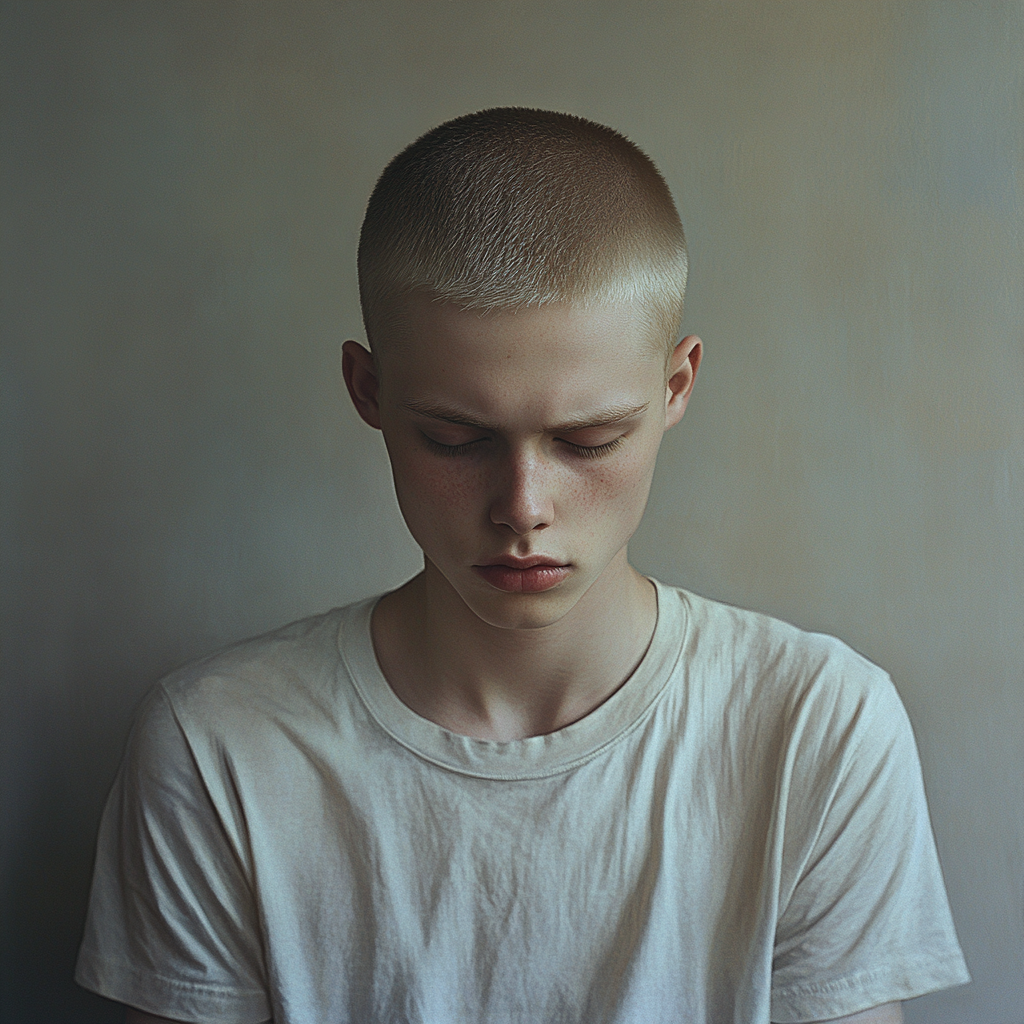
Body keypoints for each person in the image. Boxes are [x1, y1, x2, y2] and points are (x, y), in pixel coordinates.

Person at [76, 108, 969, 1024]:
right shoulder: (217, 746)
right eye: (455, 439)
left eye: (589, 440)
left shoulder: (816, 728)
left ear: (676, 387)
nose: (524, 506)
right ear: (368, 391)